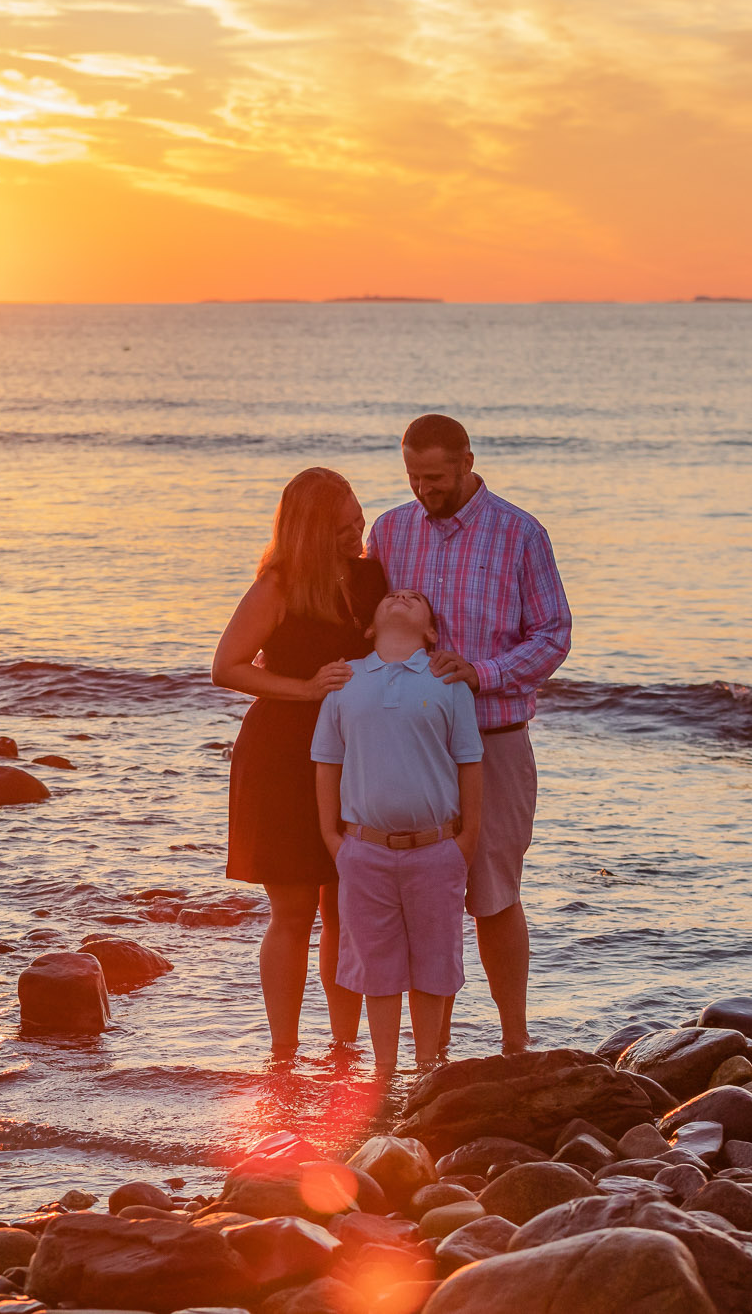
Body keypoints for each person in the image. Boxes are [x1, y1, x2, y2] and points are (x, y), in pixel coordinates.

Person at [367, 414, 570, 1055]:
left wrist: (483, 673)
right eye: (412, 476)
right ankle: (436, 1054)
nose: (423, 489)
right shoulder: (390, 530)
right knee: (425, 901)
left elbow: (554, 635)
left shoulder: (520, 533)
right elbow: (368, 625)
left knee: (493, 894)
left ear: (466, 462)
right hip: (410, 746)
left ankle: (515, 1042)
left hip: (494, 737)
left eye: (434, 477)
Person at [213, 467, 387, 1060]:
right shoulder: (278, 587)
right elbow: (228, 667)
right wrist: (307, 688)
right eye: (343, 527)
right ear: (311, 530)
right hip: (282, 756)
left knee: (346, 906)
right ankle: (283, 1051)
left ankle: (344, 1047)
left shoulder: (370, 579)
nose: (356, 534)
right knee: (292, 911)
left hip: (355, 757)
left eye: (359, 520)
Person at [312, 588, 482, 1072]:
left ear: (431, 631)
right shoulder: (347, 679)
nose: (401, 597)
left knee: (435, 963)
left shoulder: (446, 681)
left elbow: (471, 763)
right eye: (389, 596)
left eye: (415, 598)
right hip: (364, 849)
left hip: (437, 847)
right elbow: (327, 761)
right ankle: (384, 1072)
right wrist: (332, 837)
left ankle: (427, 1067)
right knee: (376, 968)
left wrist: (465, 841)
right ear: (369, 626)